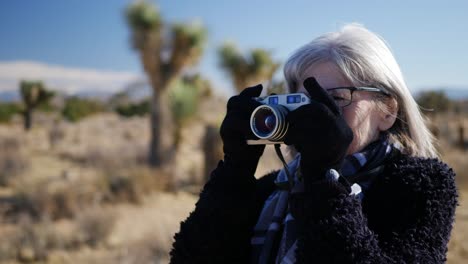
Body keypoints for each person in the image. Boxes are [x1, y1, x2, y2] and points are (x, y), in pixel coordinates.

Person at [169, 24, 458, 263]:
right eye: (308, 101)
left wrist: (323, 184)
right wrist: (235, 172)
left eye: (337, 98)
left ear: (388, 111)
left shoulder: (423, 184)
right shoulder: (274, 187)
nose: (322, 113)